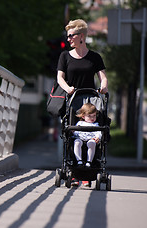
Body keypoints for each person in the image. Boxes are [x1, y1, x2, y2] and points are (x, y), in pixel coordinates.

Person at [56, 19, 108, 187]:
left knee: (93, 136)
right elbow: (60, 78)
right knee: (72, 135)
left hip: (90, 102)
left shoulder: (95, 57)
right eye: (67, 35)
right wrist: (68, 88)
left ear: (81, 37)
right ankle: (74, 171)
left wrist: (104, 87)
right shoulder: (65, 56)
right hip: (72, 101)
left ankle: (88, 172)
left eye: (71, 35)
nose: (68, 39)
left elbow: (103, 78)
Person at [73, 103, 102, 167]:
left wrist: (98, 137)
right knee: (77, 142)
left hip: (91, 139)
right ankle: (79, 160)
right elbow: (75, 132)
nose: (92, 118)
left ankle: (89, 161)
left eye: (94, 115)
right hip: (80, 138)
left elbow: (98, 132)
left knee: (92, 143)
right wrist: (73, 131)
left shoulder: (95, 124)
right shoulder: (80, 123)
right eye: (89, 116)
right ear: (83, 116)